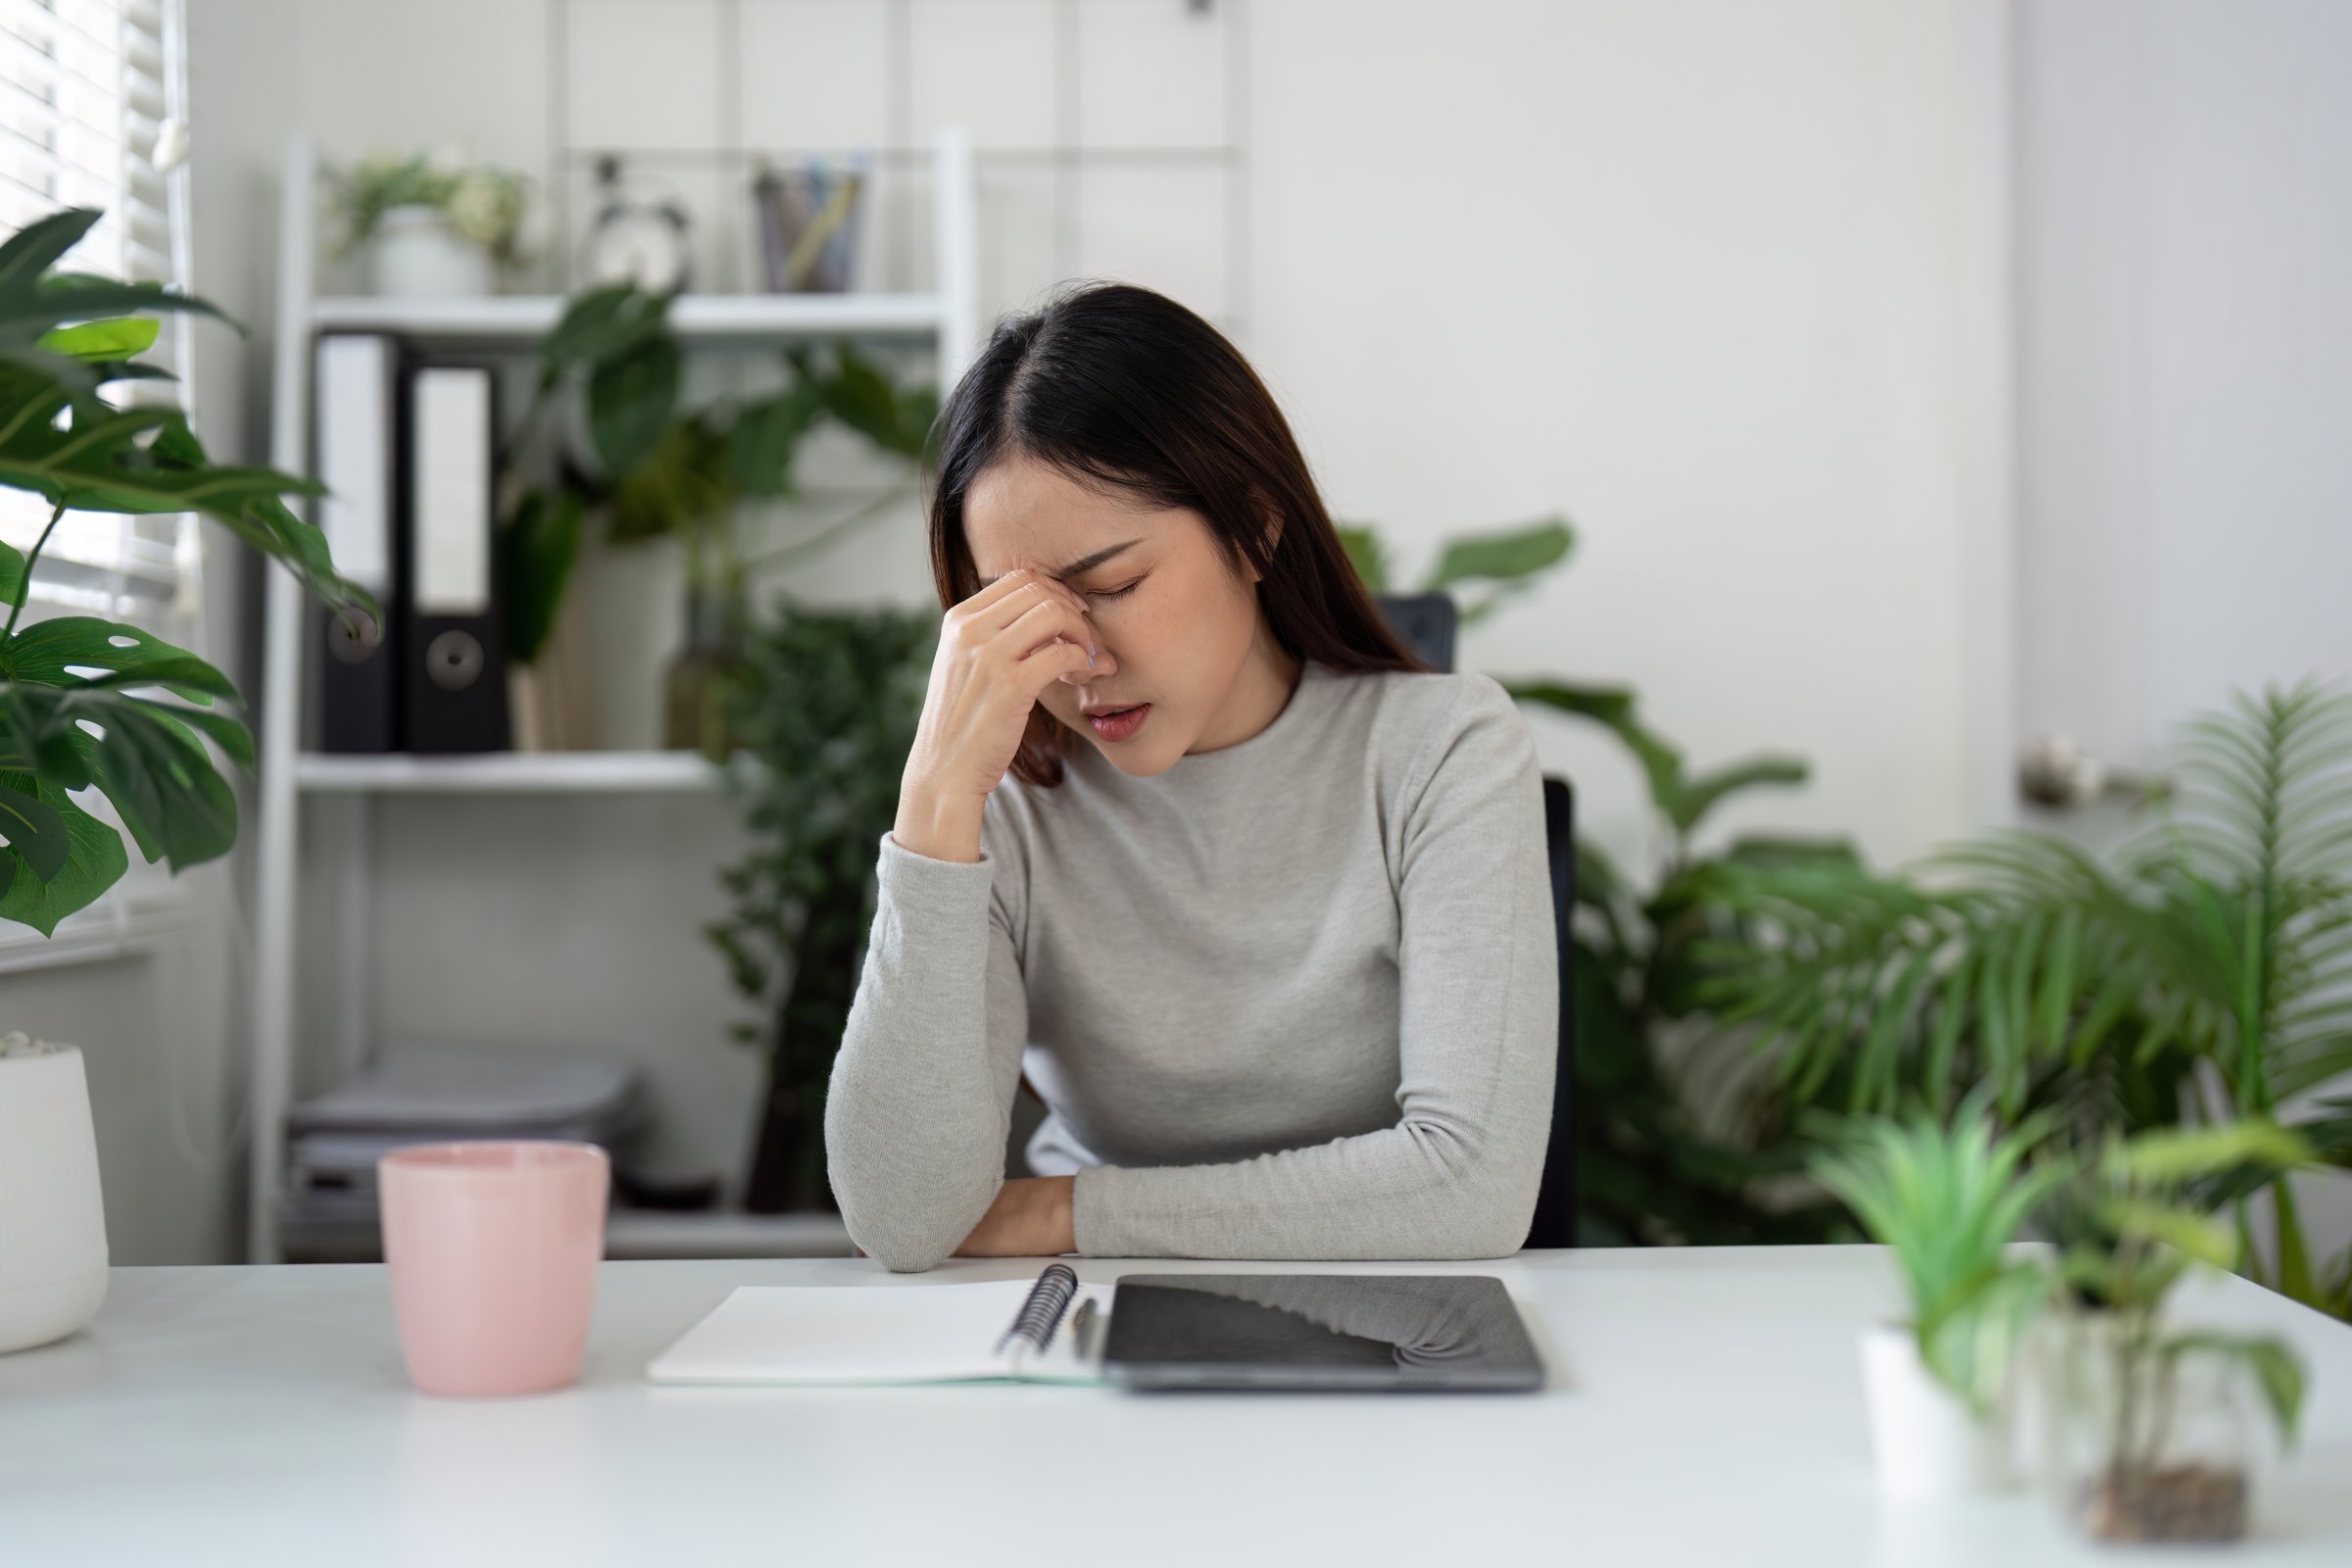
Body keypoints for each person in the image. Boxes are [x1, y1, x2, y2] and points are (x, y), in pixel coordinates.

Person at [823, 281, 1558, 1272]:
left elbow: (1469, 1189)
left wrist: (1058, 1213)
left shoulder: (1443, 754)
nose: (1076, 662)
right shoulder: (1001, 809)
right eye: (1021, 618)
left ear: (1254, 530)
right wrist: (933, 807)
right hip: (1080, 1322)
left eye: (1114, 587)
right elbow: (905, 1219)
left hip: (1384, 1321)